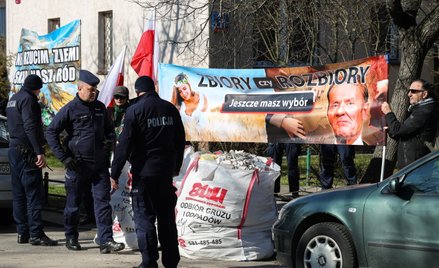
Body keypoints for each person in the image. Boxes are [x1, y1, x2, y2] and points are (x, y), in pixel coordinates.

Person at [45, 70, 125, 253]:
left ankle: (106, 241)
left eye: (95, 89)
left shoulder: (100, 108)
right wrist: (64, 158)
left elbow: (110, 131)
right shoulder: (70, 109)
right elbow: (51, 132)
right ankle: (71, 237)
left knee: (103, 203)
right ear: (80, 88)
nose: (93, 92)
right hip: (77, 165)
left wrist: (108, 144)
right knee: (73, 204)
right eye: (90, 89)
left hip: (99, 166)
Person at [110, 76, 185, 268]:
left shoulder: (134, 110)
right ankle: (171, 262)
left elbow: (124, 145)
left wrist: (114, 173)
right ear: (154, 89)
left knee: (145, 220)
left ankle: (149, 262)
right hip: (165, 173)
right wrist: (176, 165)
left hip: (144, 174)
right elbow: (179, 140)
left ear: (137, 92)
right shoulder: (169, 109)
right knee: (167, 220)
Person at [6, 74, 58, 246]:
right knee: (33, 193)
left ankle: (22, 233)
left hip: (14, 149)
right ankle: (36, 233)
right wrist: (38, 151)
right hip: (27, 151)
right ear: (35, 88)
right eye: (39, 89)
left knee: (19, 193)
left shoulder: (13, 99)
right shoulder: (29, 100)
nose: (39, 93)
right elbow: (30, 126)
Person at [381, 79, 438, 169]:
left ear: (424, 94)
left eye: (413, 91)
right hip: (413, 165)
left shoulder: (424, 111)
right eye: (409, 91)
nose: (409, 94)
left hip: (416, 167)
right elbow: (406, 134)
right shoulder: (419, 109)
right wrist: (391, 129)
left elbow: (398, 131)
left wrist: (388, 113)